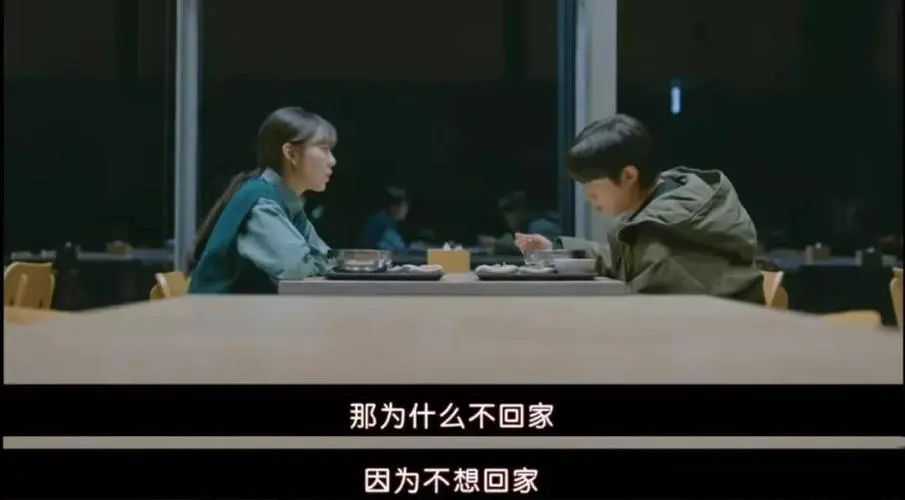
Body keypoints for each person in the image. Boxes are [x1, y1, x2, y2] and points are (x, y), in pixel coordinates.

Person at [515, 114, 764, 303]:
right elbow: (622, 260)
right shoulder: (665, 205)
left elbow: (652, 319)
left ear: (628, 176)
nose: (588, 197)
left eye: (591, 186)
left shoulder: (666, 238)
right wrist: (556, 251)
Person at [188, 107, 337, 293]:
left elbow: (328, 259)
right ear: (291, 154)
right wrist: (319, 262)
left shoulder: (287, 202)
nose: (332, 161)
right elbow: (298, 269)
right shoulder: (262, 203)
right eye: (324, 149)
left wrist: (319, 262)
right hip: (216, 311)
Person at [478, 191, 561, 255]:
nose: (506, 216)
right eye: (503, 212)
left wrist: (495, 242)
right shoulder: (524, 228)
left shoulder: (541, 226)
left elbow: (537, 247)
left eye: (509, 209)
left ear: (523, 209)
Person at [360, 186, 409, 251]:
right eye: (404, 206)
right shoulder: (382, 221)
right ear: (394, 207)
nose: (406, 211)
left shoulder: (388, 220)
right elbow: (399, 248)